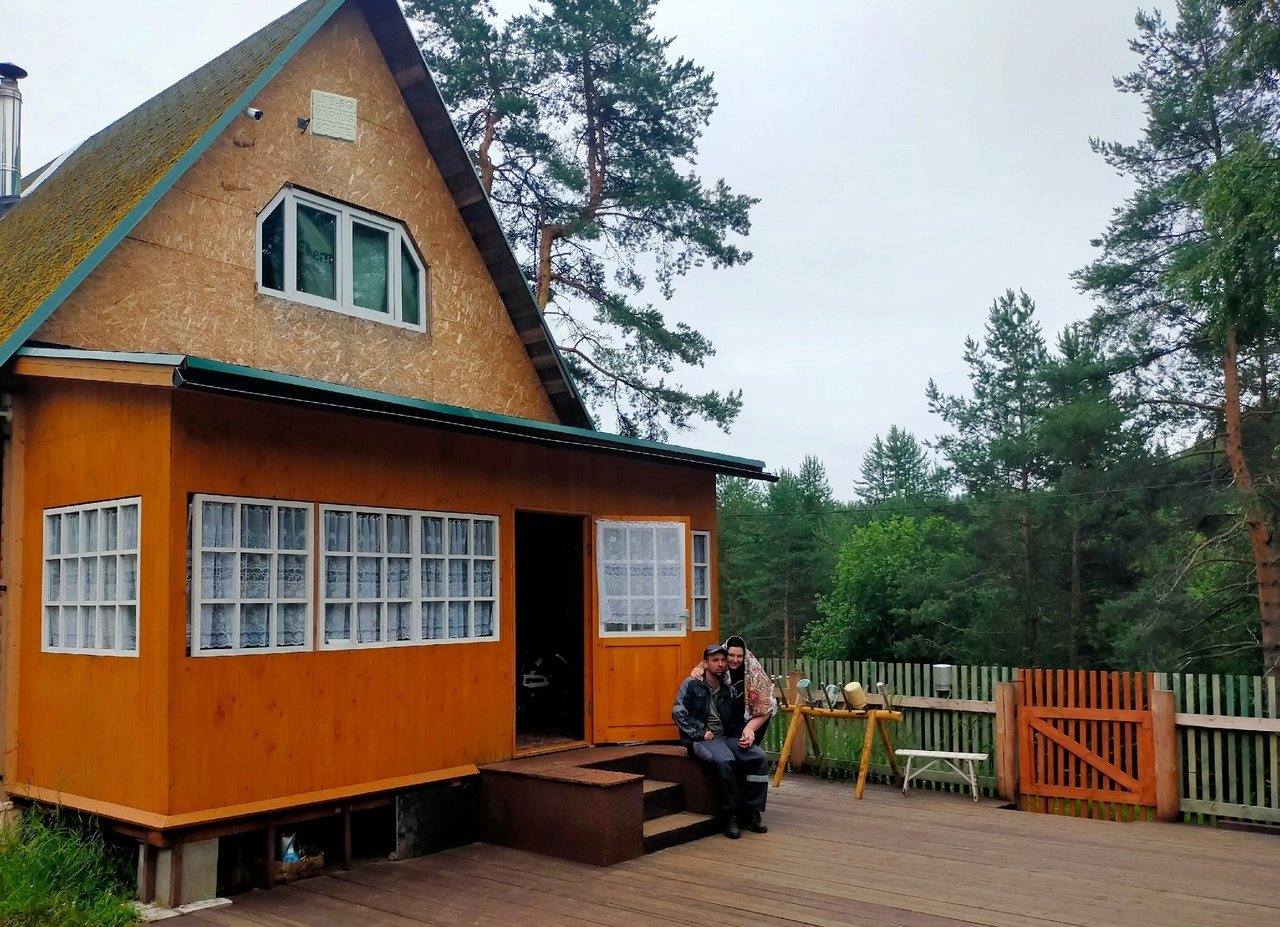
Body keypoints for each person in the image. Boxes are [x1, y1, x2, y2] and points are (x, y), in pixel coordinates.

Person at [672, 643, 770, 838]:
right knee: (725, 761)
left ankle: (753, 812)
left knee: (758, 757)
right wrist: (699, 732)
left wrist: (744, 735)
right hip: (701, 740)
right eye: (715, 660)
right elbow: (678, 712)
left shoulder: (728, 689)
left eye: (723, 660)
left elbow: (735, 719)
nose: (721, 664)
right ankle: (730, 815)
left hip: (727, 738)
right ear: (706, 663)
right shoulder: (691, 684)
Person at [724, 635, 776, 750]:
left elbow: (767, 707)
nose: (735, 660)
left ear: (745, 656)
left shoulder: (754, 675)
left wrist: (749, 728)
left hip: (748, 722)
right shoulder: (719, 669)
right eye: (731, 655)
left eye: (739, 656)